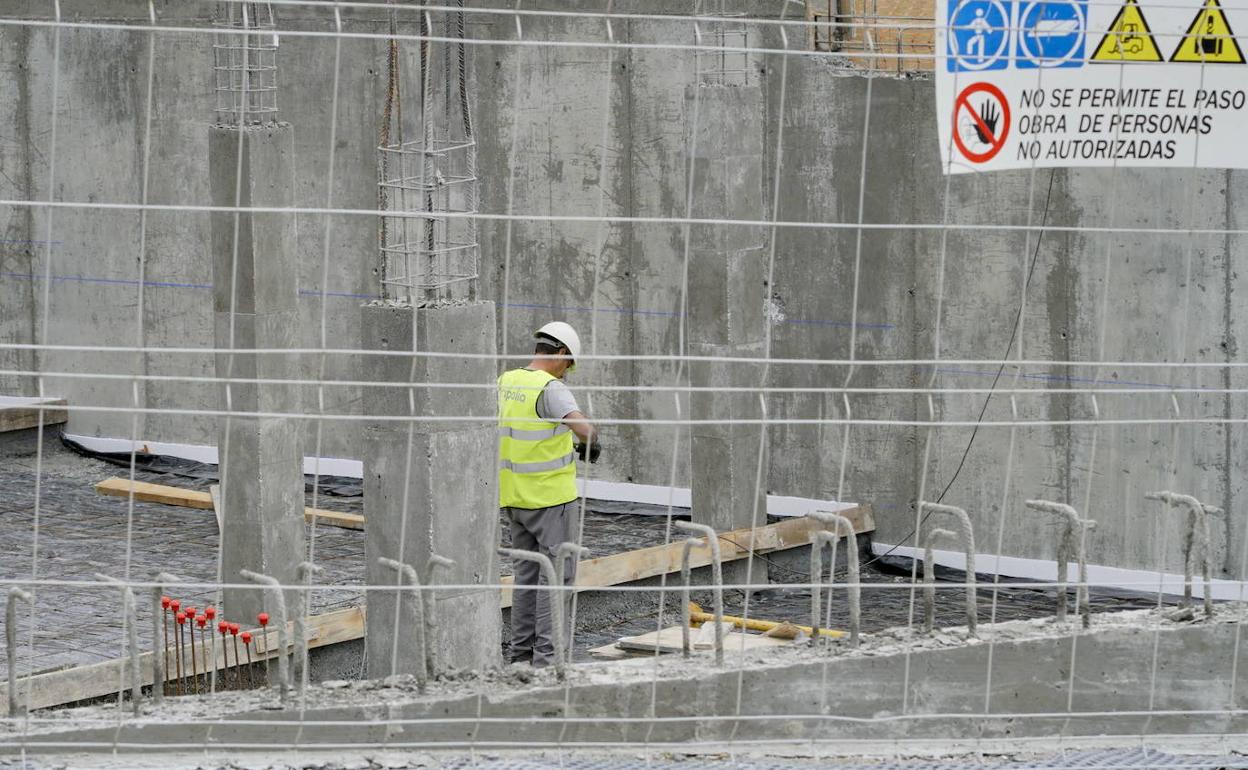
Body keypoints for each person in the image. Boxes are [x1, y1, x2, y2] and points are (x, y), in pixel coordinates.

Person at [498, 322, 599, 667]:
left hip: (514, 498)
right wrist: (590, 440)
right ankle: (548, 661)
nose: (567, 372)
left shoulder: (506, 381)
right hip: (551, 499)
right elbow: (584, 429)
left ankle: (521, 657)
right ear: (560, 354)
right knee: (556, 578)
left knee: (526, 577)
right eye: (568, 364)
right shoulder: (550, 388)